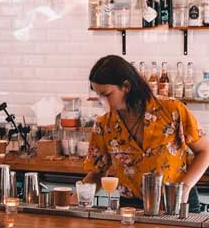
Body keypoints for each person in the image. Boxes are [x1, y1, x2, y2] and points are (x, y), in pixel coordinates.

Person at [84, 54, 209, 211]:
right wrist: (75, 199)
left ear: (126, 86)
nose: (101, 101)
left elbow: (205, 151)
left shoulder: (171, 110)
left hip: (176, 202)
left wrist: (185, 187)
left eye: (106, 94)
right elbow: (96, 173)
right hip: (132, 208)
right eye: (98, 95)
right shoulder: (104, 125)